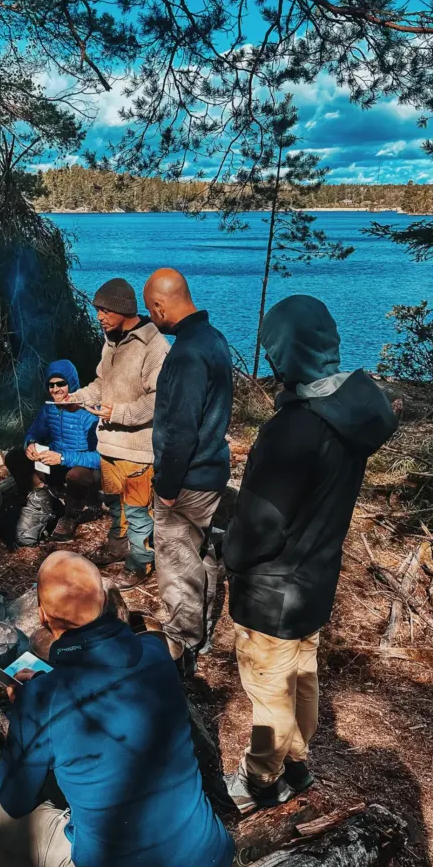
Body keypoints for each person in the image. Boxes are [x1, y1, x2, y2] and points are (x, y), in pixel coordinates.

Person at [0, 551, 233, 867]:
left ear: (42, 616)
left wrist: (28, 706)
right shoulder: (156, 653)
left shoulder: (45, 698)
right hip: (209, 861)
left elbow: (15, 796)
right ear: (107, 602)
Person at [222, 295, 399, 813]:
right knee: (302, 676)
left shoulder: (296, 429)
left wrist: (228, 548)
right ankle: (297, 766)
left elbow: (260, 525)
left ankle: (261, 781)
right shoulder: (350, 414)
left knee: (268, 691)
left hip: (271, 589)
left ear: (284, 354)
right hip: (315, 577)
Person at [143, 269, 233, 672]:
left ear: (161, 306)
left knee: (178, 563)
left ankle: (182, 649)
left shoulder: (186, 353)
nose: (152, 318)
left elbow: (180, 428)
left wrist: (167, 485)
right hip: (211, 472)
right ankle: (204, 634)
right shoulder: (214, 339)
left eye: (151, 311)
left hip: (188, 479)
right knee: (204, 558)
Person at [67, 278, 170, 590]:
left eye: (104, 310)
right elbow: (101, 385)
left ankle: (140, 564)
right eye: (98, 310)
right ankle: (116, 549)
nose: (99, 316)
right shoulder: (109, 342)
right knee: (116, 506)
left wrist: (119, 413)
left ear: (124, 310)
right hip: (109, 445)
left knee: (139, 513)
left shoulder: (155, 347)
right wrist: (77, 398)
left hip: (138, 450)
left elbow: (157, 399)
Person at [4, 360, 101, 545]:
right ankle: (42, 496)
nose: (55, 389)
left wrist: (63, 458)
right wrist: (30, 444)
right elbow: (33, 433)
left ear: (71, 384)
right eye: (51, 385)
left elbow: (100, 457)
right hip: (55, 463)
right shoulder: (49, 409)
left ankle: (71, 516)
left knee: (76, 475)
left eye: (60, 384)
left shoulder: (88, 412)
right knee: (15, 456)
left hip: (84, 468)